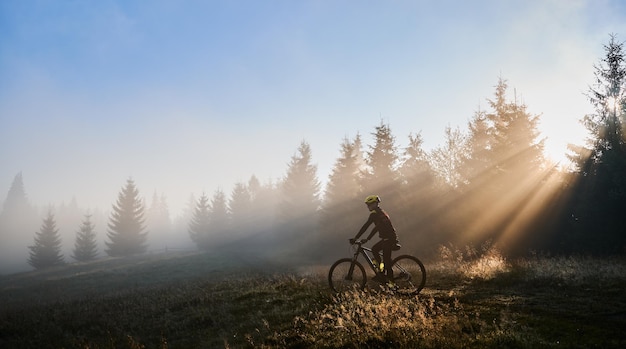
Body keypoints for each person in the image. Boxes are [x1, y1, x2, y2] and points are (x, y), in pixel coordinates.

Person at [350, 195, 400, 283]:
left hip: (389, 239)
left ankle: (392, 285)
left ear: (375, 204)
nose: (368, 207)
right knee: (374, 249)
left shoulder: (374, 214)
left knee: (387, 262)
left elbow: (366, 226)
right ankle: (381, 272)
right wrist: (368, 238)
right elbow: (377, 228)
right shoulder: (380, 212)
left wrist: (356, 237)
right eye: (367, 205)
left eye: (369, 205)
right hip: (388, 238)